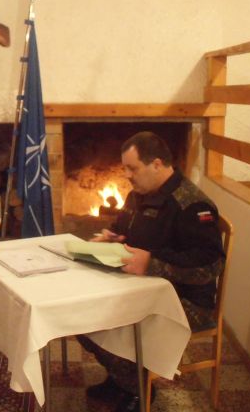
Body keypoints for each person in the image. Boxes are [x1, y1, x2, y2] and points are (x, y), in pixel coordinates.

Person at [79, 131, 224, 411]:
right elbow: (123, 228)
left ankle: (138, 389)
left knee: (109, 319)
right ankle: (121, 378)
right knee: (81, 313)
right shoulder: (139, 195)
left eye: (132, 168)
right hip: (142, 288)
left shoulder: (192, 205)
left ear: (157, 164)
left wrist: (151, 263)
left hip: (184, 301)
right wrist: (111, 237)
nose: (127, 175)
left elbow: (209, 266)